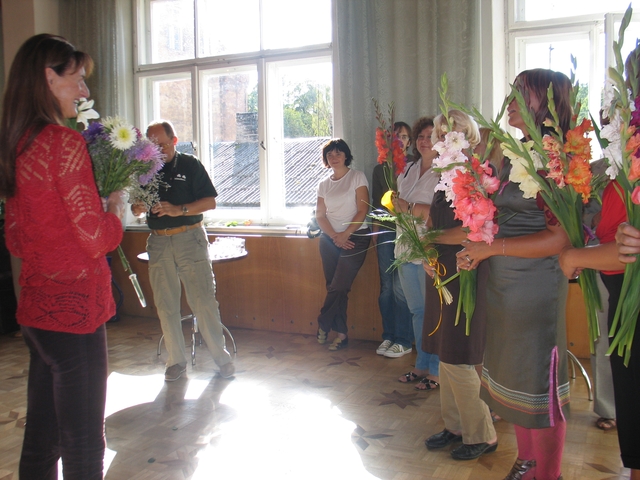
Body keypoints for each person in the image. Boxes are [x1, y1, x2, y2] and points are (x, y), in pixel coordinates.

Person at [0, 34, 126, 478]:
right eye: (78, 79)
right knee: (84, 443)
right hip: (75, 315)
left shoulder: (18, 145)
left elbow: (16, 239)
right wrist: (115, 208)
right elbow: (95, 239)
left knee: (41, 441)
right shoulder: (63, 143)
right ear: (49, 78)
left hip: (38, 314)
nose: (84, 91)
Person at [456, 69, 572, 480]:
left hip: (537, 288)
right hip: (506, 286)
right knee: (514, 379)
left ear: (547, 101)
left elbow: (559, 239)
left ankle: (549, 474)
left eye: (522, 93)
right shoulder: (516, 150)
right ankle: (527, 460)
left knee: (539, 386)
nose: (511, 101)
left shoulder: (556, 156)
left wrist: (491, 249)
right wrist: (476, 246)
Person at [132, 120, 235, 382]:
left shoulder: (190, 164)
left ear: (175, 141)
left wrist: (180, 210)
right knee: (165, 304)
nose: (157, 150)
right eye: (152, 145)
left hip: (189, 238)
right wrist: (138, 208)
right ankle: (175, 361)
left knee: (203, 301)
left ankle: (222, 359)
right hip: (158, 242)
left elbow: (210, 201)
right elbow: (136, 206)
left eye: (163, 145)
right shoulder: (145, 170)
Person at [422, 117, 498, 461]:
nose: (441, 136)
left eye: (448, 131)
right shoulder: (444, 174)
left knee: (459, 355)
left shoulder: (473, 174)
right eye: (439, 131)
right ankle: (454, 426)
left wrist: (432, 239)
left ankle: (482, 434)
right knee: (445, 352)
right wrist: (426, 250)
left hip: (465, 270)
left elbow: (473, 230)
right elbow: (434, 222)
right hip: (442, 270)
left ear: (466, 136)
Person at [392, 117, 440, 390]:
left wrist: (407, 207)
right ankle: (421, 365)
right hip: (404, 249)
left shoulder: (446, 172)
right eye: (421, 136)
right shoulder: (407, 169)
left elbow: (438, 215)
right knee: (418, 312)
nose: (424, 141)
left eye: (430, 136)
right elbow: (397, 205)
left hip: (429, 250)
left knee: (434, 313)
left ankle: (436, 371)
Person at [315, 138, 370, 351]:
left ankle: (323, 322)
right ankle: (342, 335)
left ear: (346, 155)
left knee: (339, 285)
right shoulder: (323, 184)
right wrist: (334, 236)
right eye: (329, 154)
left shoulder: (357, 177)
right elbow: (320, 216)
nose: (334, 157)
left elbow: (363, 209)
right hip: (329, 240)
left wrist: (346, 234)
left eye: (338, 153)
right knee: (335, 287)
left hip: (356, 237)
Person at [371, 121, 414, 358]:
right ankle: (388, 335)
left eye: (404, 137)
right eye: (396, 136)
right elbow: (377, 204)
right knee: (387, 287)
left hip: (408, 231)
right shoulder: (380, 169)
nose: (400, 140)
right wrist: (375, 232)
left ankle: (403, 339)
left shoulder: (415, 166)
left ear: (410, 141)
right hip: (387, 231)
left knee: (401, 288)